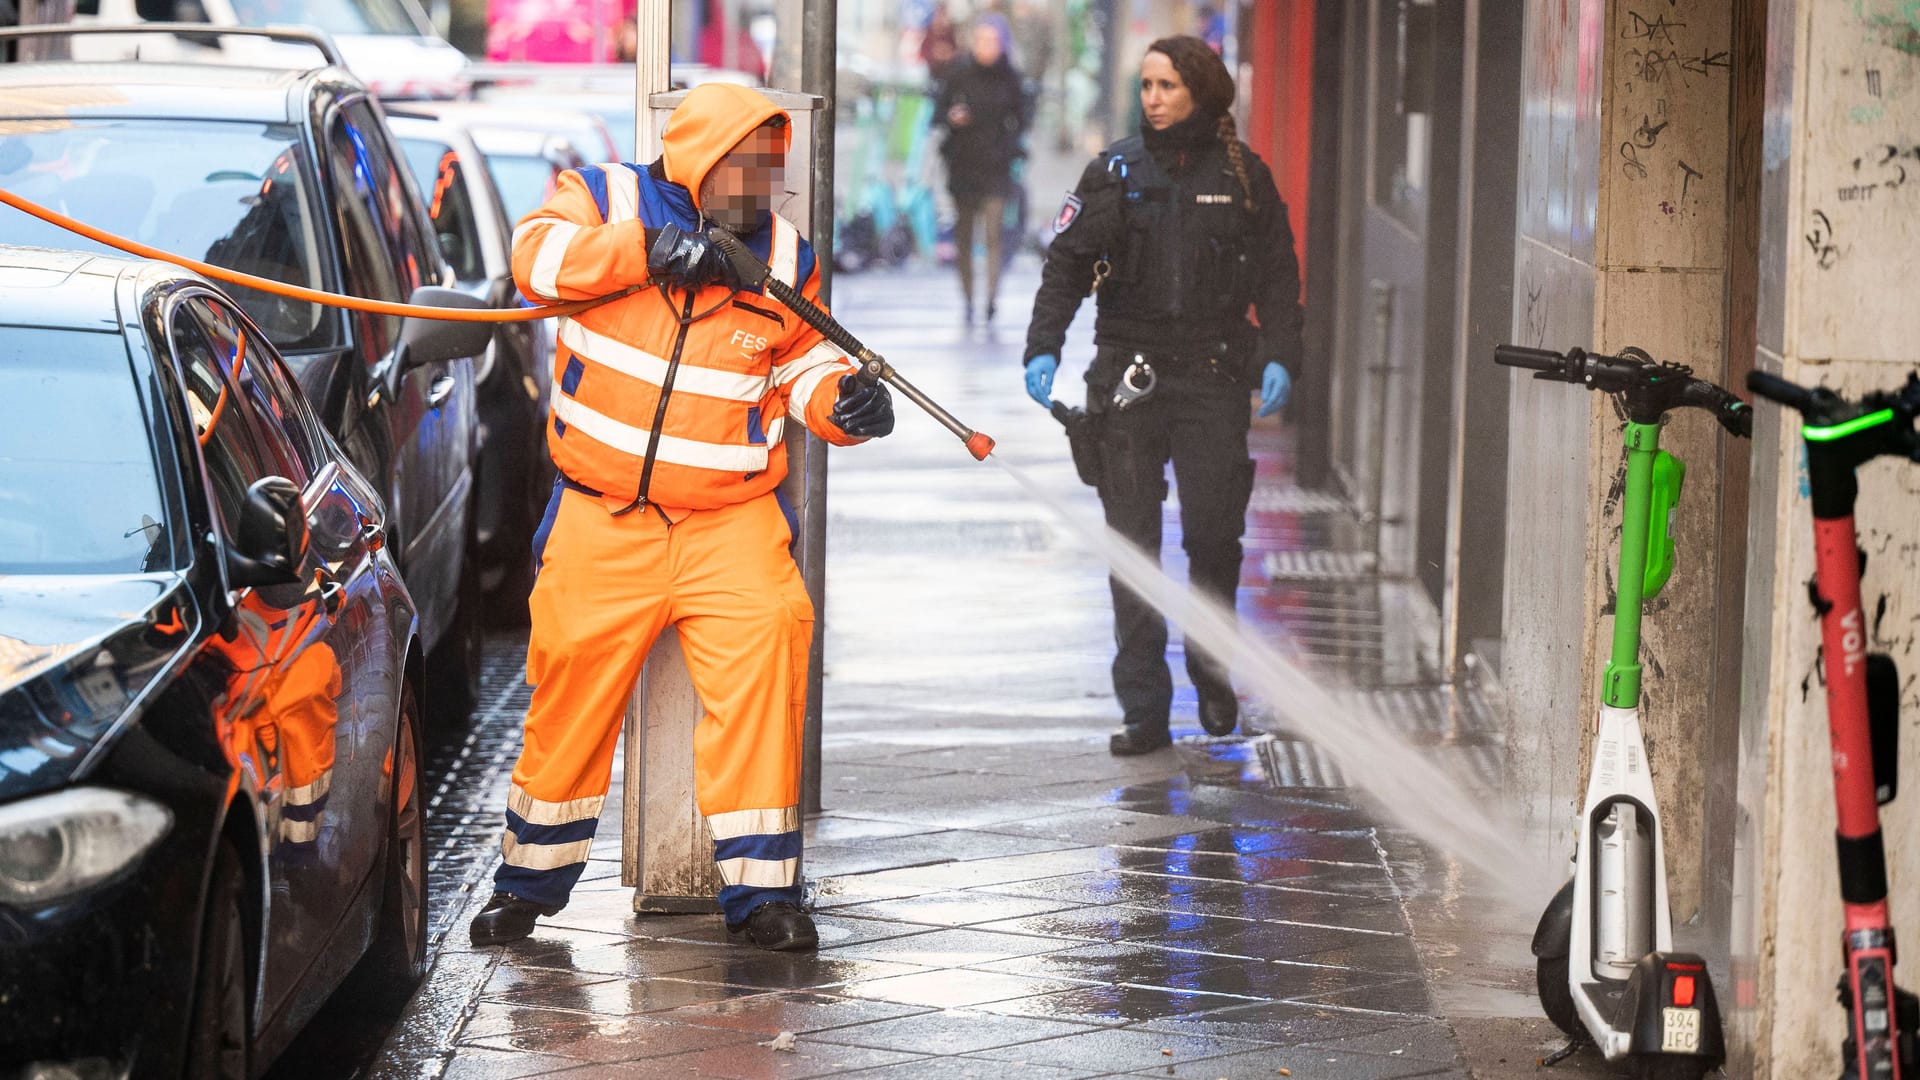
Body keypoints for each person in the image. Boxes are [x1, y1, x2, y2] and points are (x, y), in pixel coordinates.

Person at [470, 83, 896, 951]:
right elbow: (536, 260)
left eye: (770, 172)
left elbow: (799, 364)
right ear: (701, 154)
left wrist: (840, 403)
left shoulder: (784, 255)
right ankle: (528, 886)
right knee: (569, 695)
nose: (760, 190)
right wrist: (646, 252)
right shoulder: (602, 199)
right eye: (745, 168)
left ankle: (765, 896)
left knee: (771, 649)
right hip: (602, 514)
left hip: (729, 519)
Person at [1021, 36, 1301, 756]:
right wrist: (1044, 346)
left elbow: (1277, 276)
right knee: (1135, 548)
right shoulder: (1114, 170)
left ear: (1201, 94)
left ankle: (1212, 673)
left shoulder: (1244, 177)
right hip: (1128, 380)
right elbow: (1066, 266)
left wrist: (1281, 355)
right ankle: (1144, 707)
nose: (1153, 98)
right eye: (1146, 85)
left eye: (1168, 85)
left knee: (1213, 538)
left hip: (1212, 376)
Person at [933, 13, 1029, 324]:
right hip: (963, 167)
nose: (986, 47)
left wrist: (1011, 143)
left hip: (997, 169)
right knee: (964, 236)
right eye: (981, 40)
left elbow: (1024, 117)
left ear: (1002, 44)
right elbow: (939, 112)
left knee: (993, 236)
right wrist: (953, 117)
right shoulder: (959, 73)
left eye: (992, 41)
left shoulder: (1011, 77)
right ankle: (968, 298)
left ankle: (990, 299)